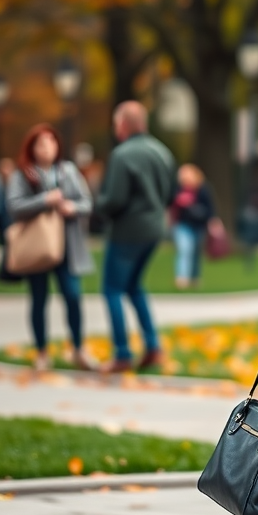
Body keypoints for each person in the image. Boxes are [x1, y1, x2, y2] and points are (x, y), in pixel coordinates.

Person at [6, 124, 96, 371]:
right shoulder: (23, 174)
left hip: (67, 246)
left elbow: (87, 203)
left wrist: (72, 208)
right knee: (38, 299)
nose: (47, 147)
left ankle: (78, 349)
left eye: (51, 142)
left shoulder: (68, 171)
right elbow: (14, 207)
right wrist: (44, 201)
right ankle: (41, 352)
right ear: (32, 148)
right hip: (38, 247)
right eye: (41, 143)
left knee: (73, 296)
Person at [95, 100, 176, 372]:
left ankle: (121, 353)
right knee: (134, 286)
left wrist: (98, 205)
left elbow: (114, 199)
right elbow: (170, 193)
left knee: (112, 289)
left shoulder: (122, 154)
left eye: (117, 122)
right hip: (155, 228)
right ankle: (153, 346)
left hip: (128, 230)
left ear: (124, 124)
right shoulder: (162, 152)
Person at [170, 163, 216, 289]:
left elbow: (210, 208)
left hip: (199, 224)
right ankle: (182, 278)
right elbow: (171, 205)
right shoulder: (178, 189)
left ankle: (195, 278)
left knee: (196, 252)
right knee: (185, 249)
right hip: (182, 224)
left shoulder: (203, 189)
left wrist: (212, 221)